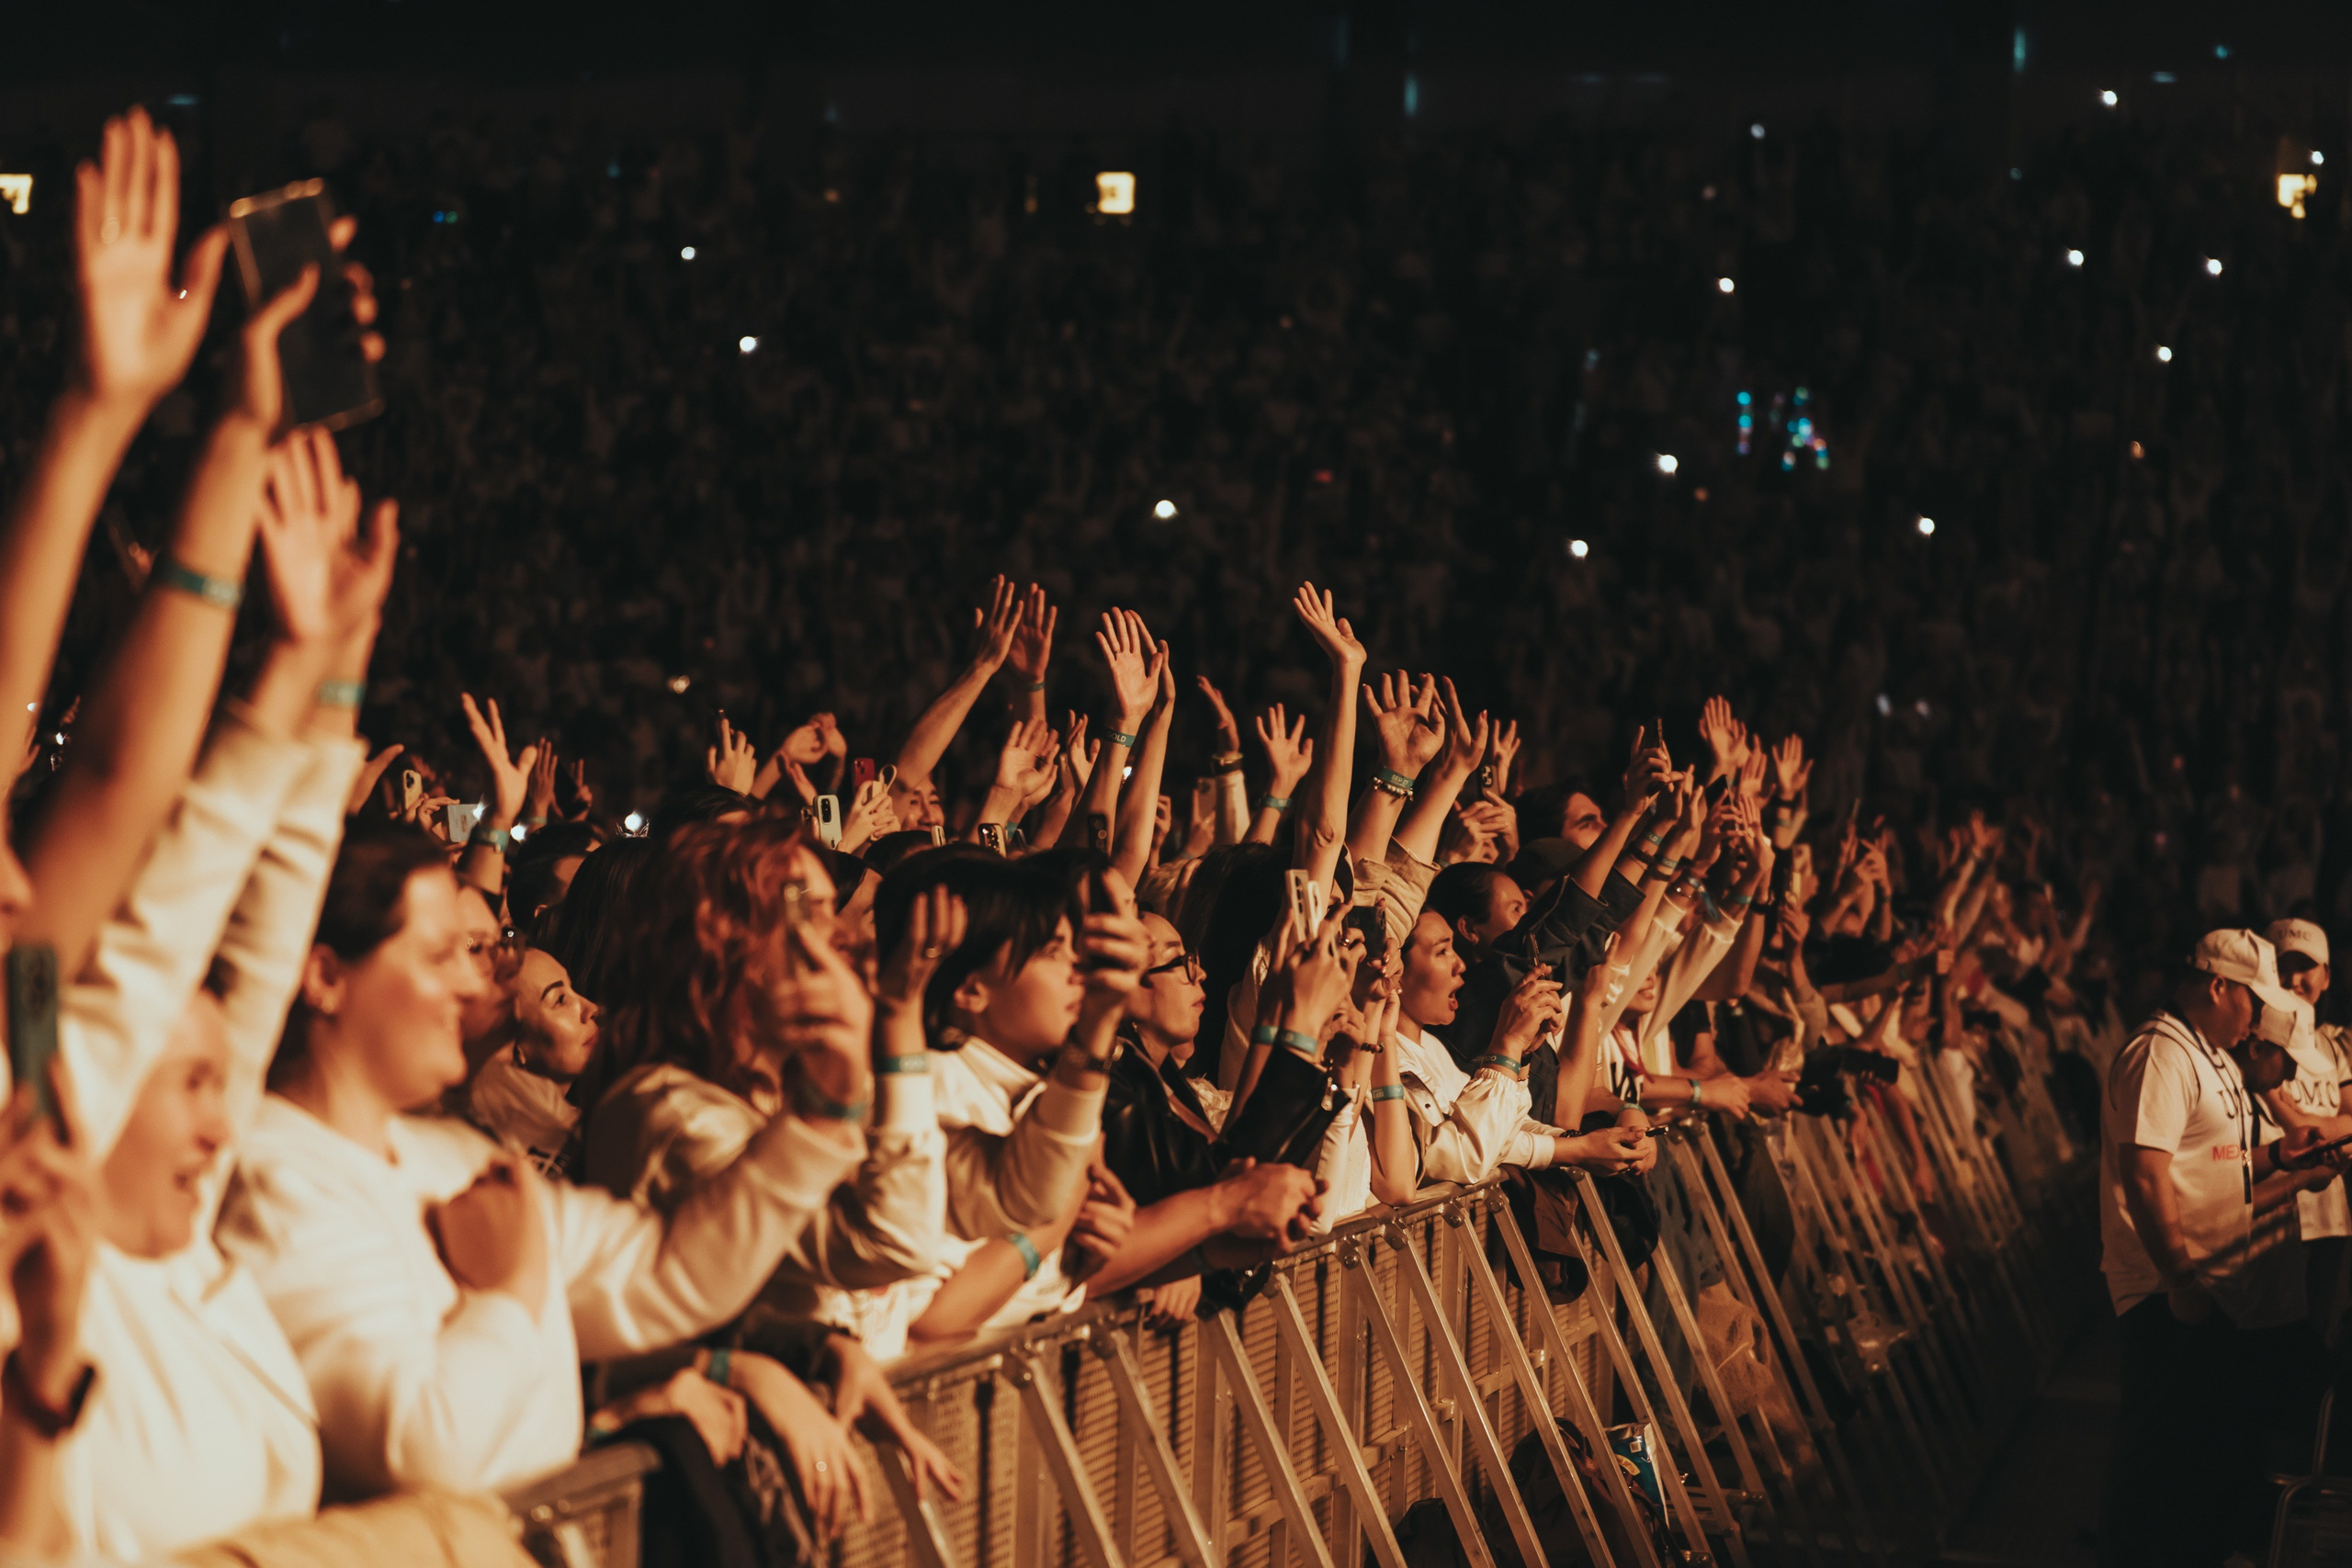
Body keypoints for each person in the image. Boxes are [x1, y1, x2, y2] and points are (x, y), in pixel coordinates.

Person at [215, 819, 873, 1499]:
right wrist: (509, 1290)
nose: (471, 990)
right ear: (326, 974)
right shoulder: (272, 1178)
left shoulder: (452, 1154)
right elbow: (417, 1450)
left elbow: (669, 1271)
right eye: (440, 956)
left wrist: (822, 1112)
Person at [2098, 929, 2336, 1568]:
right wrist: (2178, 1276)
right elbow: (2147, 1172)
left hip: (2205, 1284)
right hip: (2165, 1285)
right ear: (2217, 985)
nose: (2256, 1019)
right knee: (2156, 1448)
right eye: (2251, 1002)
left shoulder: (2202, 1052)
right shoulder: (2161, 1053)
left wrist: (2279, 1156)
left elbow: (2207, 1163)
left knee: (2191, 1448)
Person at [2263, 917, 2352, 1339]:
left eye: (2307, 966)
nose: (2295, 979)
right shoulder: (2256, 1040)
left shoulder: (2333, 1047)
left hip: (2330, 1219)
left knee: (2318, 1342)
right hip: (2272, 1221)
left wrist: (2298, 1117)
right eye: (2284, 966)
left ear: (2327, 975)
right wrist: (2332, 1127)